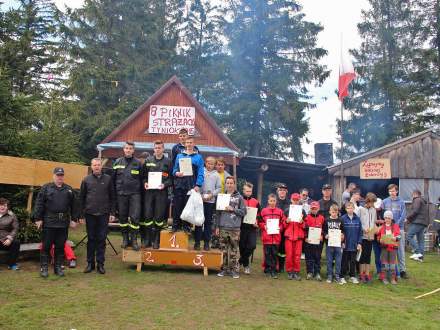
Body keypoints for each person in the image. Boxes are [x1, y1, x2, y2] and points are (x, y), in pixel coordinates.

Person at [33, 167, 78, 277]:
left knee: (60, 246)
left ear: (63, 176)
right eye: (58, 175)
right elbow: (39, 203)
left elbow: (74, 206)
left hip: (63, 223)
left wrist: (74, 219)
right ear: (54, 176)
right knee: (46, 246)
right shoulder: (46, 188)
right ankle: (44, 268)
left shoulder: (69, 189)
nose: (60, 177)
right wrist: (38, 218)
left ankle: (58, 267)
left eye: (61, 175)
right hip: (49, 221)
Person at [79, 158, 116, 274]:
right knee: (91, 239)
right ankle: (90, 264)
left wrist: (112, 213)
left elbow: (113, 198)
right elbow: (81, 198)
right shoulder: (86, 180)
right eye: (94, 165)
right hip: (90, 214)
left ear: (101, 166)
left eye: (98, 165)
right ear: (91, 166)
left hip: (104, 214)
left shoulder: (108, 179)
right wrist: (81, 215)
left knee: (101, 239)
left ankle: (100, 264)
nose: (96, 167)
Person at [141, 140, 173, 249]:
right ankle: (148, 240)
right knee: (148, 216)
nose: (158, 149)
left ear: (163, 149)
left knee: (159, 218)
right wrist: (145, 182)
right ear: (153, 149)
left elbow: (171, 179)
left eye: (160, 148)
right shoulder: (148, 160)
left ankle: (156, 240)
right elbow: (143, 176)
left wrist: (164, 185)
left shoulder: (168, 162)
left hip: (161, 193)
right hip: (149, 193)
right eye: (156, 148)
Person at [112, 141, 143, 250]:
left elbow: (142, 180)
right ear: (124, 149)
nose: (128, 150)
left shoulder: (138, 163)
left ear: (133, 150)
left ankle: (134, 240)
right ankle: (125, 239)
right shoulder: (117, 162)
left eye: (130, 148)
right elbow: (113, 179)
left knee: (135, 218)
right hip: (121, 194)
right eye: (126, 148)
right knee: (122, 217)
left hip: (135, 194)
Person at [215, 176, 246, 279]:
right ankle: (224, 269)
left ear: (234, 184)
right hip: (223, 227)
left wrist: (233, 209)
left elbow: (244, 212)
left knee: (233, 250)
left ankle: (233, 270)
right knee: (223, 250)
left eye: (231, 183)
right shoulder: (221, 196)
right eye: (227, 183)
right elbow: (218, 213)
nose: (229, 185)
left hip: (235, 228)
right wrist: (217, 227)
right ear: (226, 185)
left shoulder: (240, 197)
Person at [172, 136, 204, 233]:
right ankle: (175, 225)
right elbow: (174, 170)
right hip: (179, 185)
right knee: (177, 205)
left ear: (194, 144)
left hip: (191, 186)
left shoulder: (198, 157)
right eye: (187, 142)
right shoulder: (179, 156)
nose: (189, 144)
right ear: (184, 144)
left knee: (188, 206)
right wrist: (177, 173)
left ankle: (186, 226)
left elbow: (201, 172)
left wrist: (198, 185)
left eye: (191, 142)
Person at [382, 184, 407, 279]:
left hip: (399, 228)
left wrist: (395, 225)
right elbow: (381, 214)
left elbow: (403, 215)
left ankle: (402, 270)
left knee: (400, 250)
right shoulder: (384, 202)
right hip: (387, 230)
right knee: (389, 250)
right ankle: (390, 271)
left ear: (397, 191)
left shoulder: (401, 202)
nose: (392, 193)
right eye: (390, 191)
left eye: (393, 191)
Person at [259, 194, 286, 279]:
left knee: (274, 254)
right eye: (271, 201)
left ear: (276, 201)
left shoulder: (280, 211)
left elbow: (283, 223)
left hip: (276, 238)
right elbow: (259, 221)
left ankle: (273, 270)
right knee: (267, 254)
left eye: (274, 201)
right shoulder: (263, 211)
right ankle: (268, 268)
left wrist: (280, 228)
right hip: (266, 238)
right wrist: (264, 226)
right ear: (268, 201)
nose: (272, 202)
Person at [197, 156, 221, 251]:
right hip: (200, 200)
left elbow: (219, 188)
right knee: (199, 222)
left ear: (214, 165)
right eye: (208, 163)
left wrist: (212, 194)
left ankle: (206, 243)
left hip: (210, 202)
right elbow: (197, 184)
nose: (209, 165)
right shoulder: (201, 172)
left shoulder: (217, 175)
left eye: (211, 164)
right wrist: (200, 194)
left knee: (208, 222)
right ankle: (197, 242)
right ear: (205, 163)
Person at [239, 182, 261, 274]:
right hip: (241, 227)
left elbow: (259, 215)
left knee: (252, 246)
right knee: (242, 247)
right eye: (247, 191)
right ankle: (246, 266)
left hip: (252, 227)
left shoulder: (256, 202)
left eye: (250, 191)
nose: (248, 193)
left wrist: (257, 222)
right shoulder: (239, 200)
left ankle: (239, 262)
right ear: (243, 191)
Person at [284, 193, 306, 280]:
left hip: (299, 236)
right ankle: (289, 271)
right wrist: (286, 221)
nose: (295, 201)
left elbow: (305, 226)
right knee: (289, 255)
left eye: (297, 200)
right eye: (294, 200)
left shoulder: (303, 211)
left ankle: (296, 272)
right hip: (289, 236)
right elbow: (283, 225)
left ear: (299, 200)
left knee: (297, 255)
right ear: (291, 200)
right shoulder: (286, 210)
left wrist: (302, 222)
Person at [341, 201, 363, 284]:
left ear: (354, 208)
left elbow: (360, 233)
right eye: (348, 208)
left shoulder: (357, 219)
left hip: (354, 245)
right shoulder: (342, 218)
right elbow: (341, 232)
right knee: (344, 261)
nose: (350, 209)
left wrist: (359, 243)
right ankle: (342, 276)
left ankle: (352, 276)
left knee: (353, 261)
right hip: (345, 244)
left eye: (351, 208)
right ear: (346, 209)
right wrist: (342, 242)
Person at [358, 192, 377, 283]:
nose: (373, 204)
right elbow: (359, 222)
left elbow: (373, 222)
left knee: (368, 256)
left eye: (374, 203)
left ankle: (367, 274)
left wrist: (372, 232)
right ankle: (361, 274)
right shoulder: (361, 209)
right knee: (363, 255)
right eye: (372, 202)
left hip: (370, 236)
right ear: (368, 201)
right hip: (362, 236)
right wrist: (363, 229)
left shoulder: (374, 210)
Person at [377, 210, 401, 285]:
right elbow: (378, 236)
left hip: (393, 248)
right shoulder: (381, 227)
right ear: (384, 218)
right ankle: (384, 278)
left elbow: (399, 236)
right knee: (384, 264)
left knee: (392, 264)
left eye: (389, 218)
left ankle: (393, 278)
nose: (387, 219)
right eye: (386, 218)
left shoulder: (395, 226)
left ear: (391, 219)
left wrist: (396, 238)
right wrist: (380, 239)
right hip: (384, 248)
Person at [323, 204, 344, 284]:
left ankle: (337, 275)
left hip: (338, 244)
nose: (334, 213)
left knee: (338, 260)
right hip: (329, 244)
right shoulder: (326, 220)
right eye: (332, 212)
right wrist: (325, 235)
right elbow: (324, 230)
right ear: (330, 212)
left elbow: (343, 231)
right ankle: (329, 275)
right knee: (329, 260)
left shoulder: (340, 220)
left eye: (336, 212)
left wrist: (342, 236)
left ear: (338, 212)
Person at [304, 201, 325, 281]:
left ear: (318, 208)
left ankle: (317, 273)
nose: (314, 210)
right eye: (312, 208)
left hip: (318, 242)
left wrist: (322, 236)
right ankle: (309, 272)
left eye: (315, 208)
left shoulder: (322, 218)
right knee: (309, 257)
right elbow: (305, 229)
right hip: (309, 241)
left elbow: (324, 229)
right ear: (310, 208)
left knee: (317, 257)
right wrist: (305, 237)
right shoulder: (307, 218)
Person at [407, 190, 428, 262]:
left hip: (417, 222)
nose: (411, 197)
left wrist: (407, 218)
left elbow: (415, 211)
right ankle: (420, 257)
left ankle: (417, 251)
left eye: (412, 195)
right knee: (420, 240)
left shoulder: (417, 200)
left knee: (409, 235)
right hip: (423, 222)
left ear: (414, 194)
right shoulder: (422, 201)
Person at [0, 198, 20, 270]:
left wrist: (10, 238)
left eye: (4, 205)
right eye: (1, 205)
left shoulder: (12, 216)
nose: (2, 207)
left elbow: (15, 228)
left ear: (7, 207)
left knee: (16, 243)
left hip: (5, 240)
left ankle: (12, 264)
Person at [275, 183, 289, 273]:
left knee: (283, 249)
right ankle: (274, 265)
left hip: (286, 229)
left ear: (286, 192)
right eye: (280, 190)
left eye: (284, 190)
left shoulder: (290, 203)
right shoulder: (273, 202)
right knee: (275, 247)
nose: (282, 192)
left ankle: (281, 266)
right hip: (275, 228)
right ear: (277, 191)